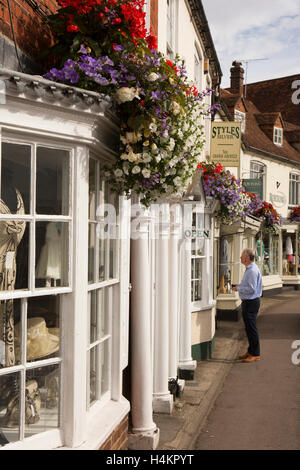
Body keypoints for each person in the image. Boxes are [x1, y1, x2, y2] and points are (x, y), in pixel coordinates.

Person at [232, 248, 262, 363]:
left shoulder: (252, 270)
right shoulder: (250, 269)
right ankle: (251, 351)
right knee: (249, 329)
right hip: (249, 302)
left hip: (251, 303)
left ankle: (255, 353)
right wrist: (239, 286)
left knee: (252, 329)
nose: (240, 258)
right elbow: (249, 285)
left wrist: (238, 288)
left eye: (242, 256)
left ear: (247, 258)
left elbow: (251, 289)